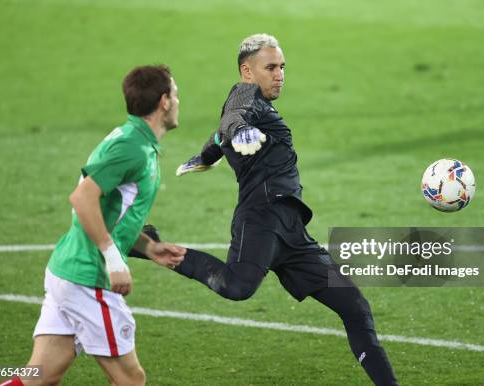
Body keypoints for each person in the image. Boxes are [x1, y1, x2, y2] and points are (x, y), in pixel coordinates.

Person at [160, 34, 397, 385]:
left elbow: (219, 133)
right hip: (261, 220)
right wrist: (237, 130)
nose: (279, 74)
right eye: (270, 67)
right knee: (237, 287)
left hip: (291, 230)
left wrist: (207, 155)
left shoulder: (264, 109)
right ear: (247, 71)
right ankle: (152, 248)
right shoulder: (244, 95)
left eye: (282, 67)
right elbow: (232, 118)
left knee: (355, 306)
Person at [0, 65, 186, 386]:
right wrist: (113, 260)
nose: (179, 101)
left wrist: (148, 246)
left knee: (38, 377)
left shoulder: (132, 140)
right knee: (130, 379)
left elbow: (108, 209)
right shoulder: (132, 148)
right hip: (88, 278)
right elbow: (83, 198)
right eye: (176, 94)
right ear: (164, 102)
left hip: (67, 271)